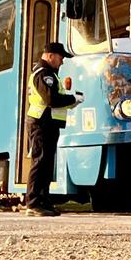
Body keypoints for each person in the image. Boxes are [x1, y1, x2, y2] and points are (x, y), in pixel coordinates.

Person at [24, 42, 79, 217]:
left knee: (46, 164)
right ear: (50, 56)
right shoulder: (44, 74)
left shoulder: (50, 75)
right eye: (60, 57)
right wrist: (73, 99)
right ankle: (32, 203)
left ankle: (43, 201)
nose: (62, 62)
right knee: (40, 162)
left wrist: (72, 101)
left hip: (48, 123)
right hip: (40, 123)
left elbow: (55, 101)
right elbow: (51, 100)